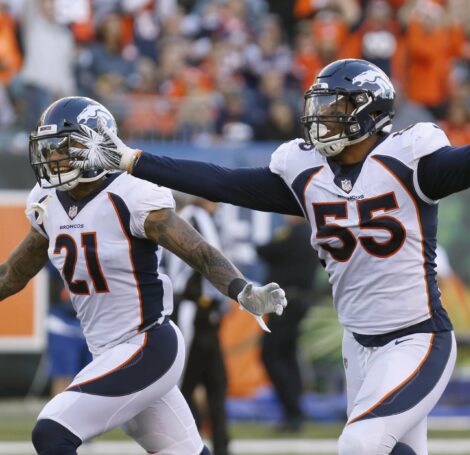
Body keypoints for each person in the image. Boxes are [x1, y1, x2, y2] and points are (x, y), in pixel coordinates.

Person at [70, 58, 470, 455]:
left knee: (361, 444)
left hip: (417, 339)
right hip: (358, 345)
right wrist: (136, 160)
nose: (323, 115)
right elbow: (223, 181)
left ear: (369, 111)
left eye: (337, 105)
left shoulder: (410, 160)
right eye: (321, 104)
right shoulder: (307, 173)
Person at [0, 96, 286, 455]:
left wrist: (242, 289)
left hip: (147, 346)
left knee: (52, 432)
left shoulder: (130, 194)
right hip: (108, 353)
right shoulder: (47, 201)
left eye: (64, 147)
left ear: (98, 145)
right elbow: (13, 273)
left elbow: (198, 250)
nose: (53, 157)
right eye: (49, 148)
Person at [165, 196, 231, 455]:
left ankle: (220, 448)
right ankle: (184, 447)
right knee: (185, 386)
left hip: (204, 314)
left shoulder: (202, 217)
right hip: (192, 310)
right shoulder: (194, 216)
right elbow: (213, 261)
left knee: (216, 383)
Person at [257, 215, 320, 433]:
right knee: (287, 355)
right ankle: (294, 411)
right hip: (299, 301)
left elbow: (265, 250)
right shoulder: (313, 235)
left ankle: (292, 411)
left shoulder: (292, 233)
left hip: (286, 303)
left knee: (272, 354)